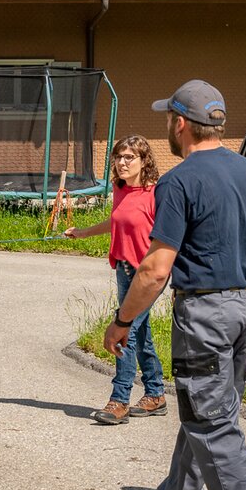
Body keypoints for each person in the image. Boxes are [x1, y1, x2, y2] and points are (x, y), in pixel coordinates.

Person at [102, 79, 246, 490]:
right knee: (205, 412)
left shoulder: (179, 181)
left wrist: (123, 322)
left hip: (204, 316)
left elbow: (154, 269)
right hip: (245, 308)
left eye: (169, 118)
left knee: (213, 427)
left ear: (181, 124)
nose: (168, 125)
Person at [66, 136, 165, 425]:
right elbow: (117, 220)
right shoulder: (119, 189)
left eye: (129, 157)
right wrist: (83, 232)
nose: (121, 162)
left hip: (146, 274)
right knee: (140, 331)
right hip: (123, 269)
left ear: (144, 161)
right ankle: (156, 394)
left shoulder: (156, 193)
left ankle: (119, 400)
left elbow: (170, 236)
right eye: (118, 156)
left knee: (126, 331)